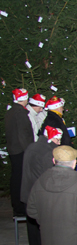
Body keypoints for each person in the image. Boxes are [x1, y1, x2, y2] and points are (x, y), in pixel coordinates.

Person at [21, 126, 62, 245]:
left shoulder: (32, 146)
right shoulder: (48, 153)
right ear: (52, 138)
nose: (59, 142)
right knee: (44, 226)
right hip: (41, 194)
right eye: (58, 139)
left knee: (32, 224)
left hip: (28, 191)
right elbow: (49, 176)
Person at [6, 88, 34, 216]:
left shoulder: (11, 111)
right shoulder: (21, 113)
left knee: (16, 177)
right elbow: (24, 135)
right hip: (21, 150)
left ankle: (16, 205)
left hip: (13, 149)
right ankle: (20, 206)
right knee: (20, 179)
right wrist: (29, 151)